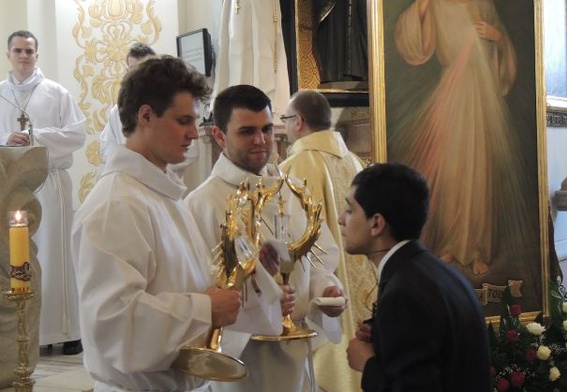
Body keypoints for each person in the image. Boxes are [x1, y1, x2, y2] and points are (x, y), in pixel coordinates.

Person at [72, 56, 284, 391]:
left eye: (194, 121)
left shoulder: (161, 194)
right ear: (145, 116)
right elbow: (113, 323)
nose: (192, 134)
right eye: (183, 121)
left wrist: (253, 287)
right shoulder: (118, 203)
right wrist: (206, 308)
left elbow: (189, 285)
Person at [392, 0, 538, 282]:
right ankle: (450, 243)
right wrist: (425, 0)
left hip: (482, 95)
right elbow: (418, 46)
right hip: (452, 95)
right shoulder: (439, 3)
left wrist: (498, 36)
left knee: (480, 172)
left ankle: (476, 250)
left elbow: (505, 52)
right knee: (455, 168)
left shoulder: (485, 4)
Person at [185, 84, 345, 392]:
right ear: (220, 136)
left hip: (297, 353)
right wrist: (265, 302)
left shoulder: (294, 189)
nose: (261, 141)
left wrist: (324, 289)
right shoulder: (202, 204)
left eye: (267, 129)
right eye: (247, 131)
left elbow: (319, 256)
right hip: (244, 359)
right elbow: (199, 284)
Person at [342, 163, 491, 391]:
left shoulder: (404, 294)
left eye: (350, 210)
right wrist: (383, 337)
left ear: (376, 223)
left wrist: (368, 363)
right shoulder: (438, 271)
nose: (342, 219)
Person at [280, 89, 376, 391]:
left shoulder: (296, 167)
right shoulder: (356, 163)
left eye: (284, 119)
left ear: (298, 121)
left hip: (327, 294)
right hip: (365, 293)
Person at [0, 30, 86, 354]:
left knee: (56, 254)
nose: (24, 56)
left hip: (50, 181)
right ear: (8, 54)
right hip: (10, 184)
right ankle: (26, 333)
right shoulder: (0, 93)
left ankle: (65, 331)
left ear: (37, 54)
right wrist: (8, 138)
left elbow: (77, 133)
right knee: (16, 258)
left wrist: (35, 135)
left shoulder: (56, 92)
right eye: (18, 50)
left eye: (30, 51)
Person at [99, 42, 197, 175]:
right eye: (134, 69)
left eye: (144, 69)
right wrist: (137, 164)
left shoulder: (172, 102)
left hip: (165, 181)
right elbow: (106, 148)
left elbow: (190, 151)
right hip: (130, 177)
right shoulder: (117, 112)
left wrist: (157, 164)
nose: (140, 76)